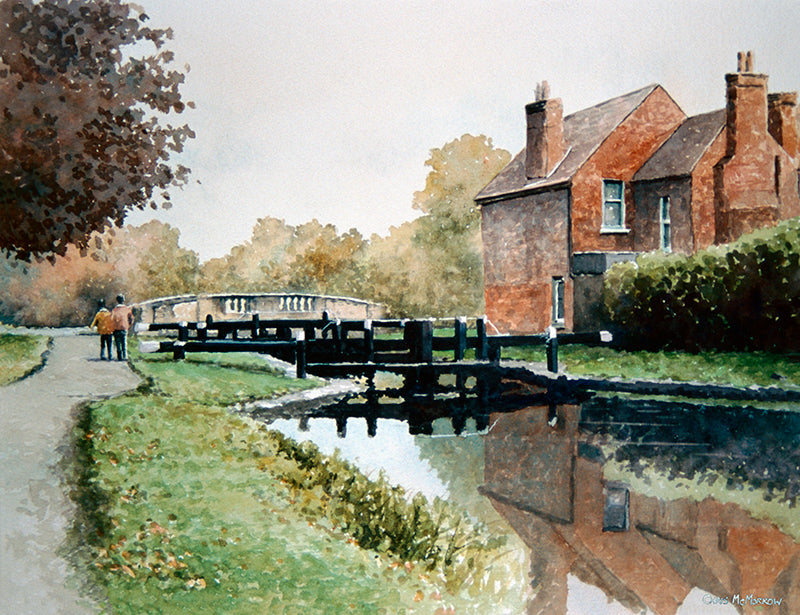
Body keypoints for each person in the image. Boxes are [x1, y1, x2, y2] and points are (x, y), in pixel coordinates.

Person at [111, 294, 134, 361]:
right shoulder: (127, 309)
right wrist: (129, 324)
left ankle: (119, 356)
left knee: (118, 342)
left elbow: (111, 319)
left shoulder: (114, 310)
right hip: (124, 327)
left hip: (116, 328)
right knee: (124, 342)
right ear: (123, 300)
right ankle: (125, 356)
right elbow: (131, 318)